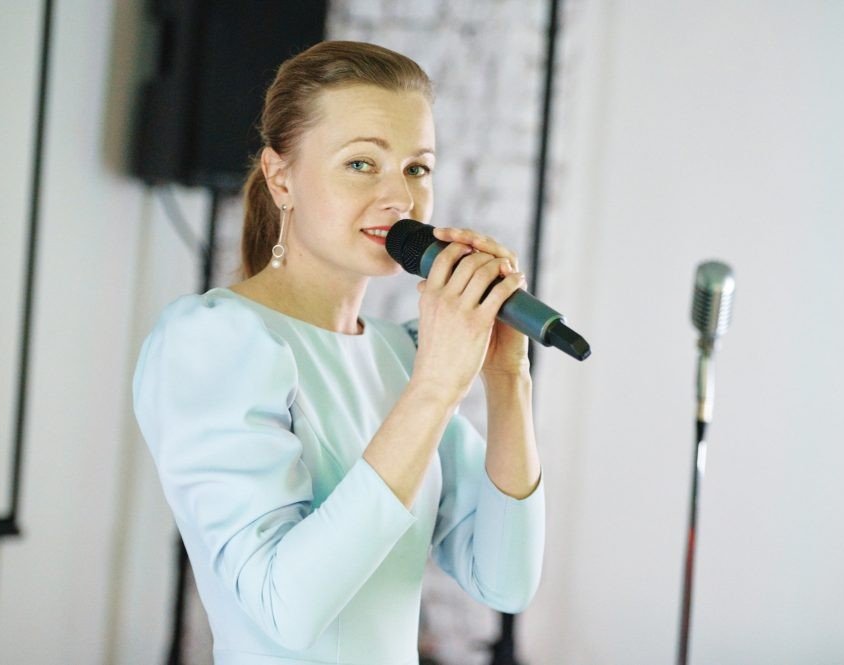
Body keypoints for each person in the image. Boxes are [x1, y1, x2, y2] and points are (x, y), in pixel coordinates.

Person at [132, 41, 544, 665]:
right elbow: (286, 608)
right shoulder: (214, 340)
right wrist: (435, 389)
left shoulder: (400, 354)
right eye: (361, 164)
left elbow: (505, 581)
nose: (400, 198)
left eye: (417, 168)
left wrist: (507, 377)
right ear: (281, 178)